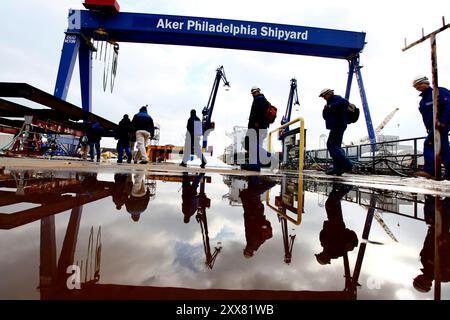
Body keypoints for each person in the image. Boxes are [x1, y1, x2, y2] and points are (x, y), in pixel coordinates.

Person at [412, 76, 450, 180]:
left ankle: (430, 170)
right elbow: (426, 116)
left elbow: (448, 106)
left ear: (426, 83)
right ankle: (449, 173)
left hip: (442, 124)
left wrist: (442, 121)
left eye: (419, 84)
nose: (417, 87)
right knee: (444, 149)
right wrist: (428, 128)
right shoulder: (423, 101)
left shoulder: (438, 92)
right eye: (415, 86)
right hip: (433, 127)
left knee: (428, 144)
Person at [413, 195, 450, 293]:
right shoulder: (444, 276)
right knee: (446, 207)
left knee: (431, 200)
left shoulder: (424, 261)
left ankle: (432, 192)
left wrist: (431, 229)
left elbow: (427, 242)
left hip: (434, 227)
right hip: (445, 230)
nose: (417, 276)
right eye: (418, 279)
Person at [315, 183, 358, 265]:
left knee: (334, 203)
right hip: (337, 224)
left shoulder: (326, 246)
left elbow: (322, 233)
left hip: (334, 223)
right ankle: (346, 187)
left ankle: (337, 186)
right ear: (325, 258)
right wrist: (350, 240)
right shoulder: (337, 252)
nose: (320, 253)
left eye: (319, 254)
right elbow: (350, 241)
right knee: (330, 204)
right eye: (320, 255)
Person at [240, 176, 277, 258]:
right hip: (255, 214)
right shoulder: (255, 243)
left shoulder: (250, 243)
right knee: (246, 195)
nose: (247, 249)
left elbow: (248, 228)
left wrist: (247, 217)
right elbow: (255, 228)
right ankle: (270, 184)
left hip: (251, 214)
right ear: (251, 252)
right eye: (248, 251)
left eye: (246, 250)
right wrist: (252, 218)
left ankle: (254, 179)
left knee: (249, 194)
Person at [319, 88, 353, 175]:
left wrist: (330, 107)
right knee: (335, 146)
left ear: (329, 93)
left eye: (324, 96)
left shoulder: (336, 98)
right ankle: (337, 169)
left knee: (331, 145)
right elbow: (325, 117)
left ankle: (347, 164)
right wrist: (325, 109)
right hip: (336, 126)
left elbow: (345, 102)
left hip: (338, 125)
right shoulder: (330, 102)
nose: (323, 98)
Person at [243, 86, 271, 172]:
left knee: (253, 145)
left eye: (254, 92)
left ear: (258, 91)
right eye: (252, 93)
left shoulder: (259, 99)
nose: (253, 94)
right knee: (255, 145)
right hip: (260, 127)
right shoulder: (262, 99)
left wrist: (256, 123)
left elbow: (259, 112)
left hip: (257, 127)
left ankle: (267, 155)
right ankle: (255, 165)